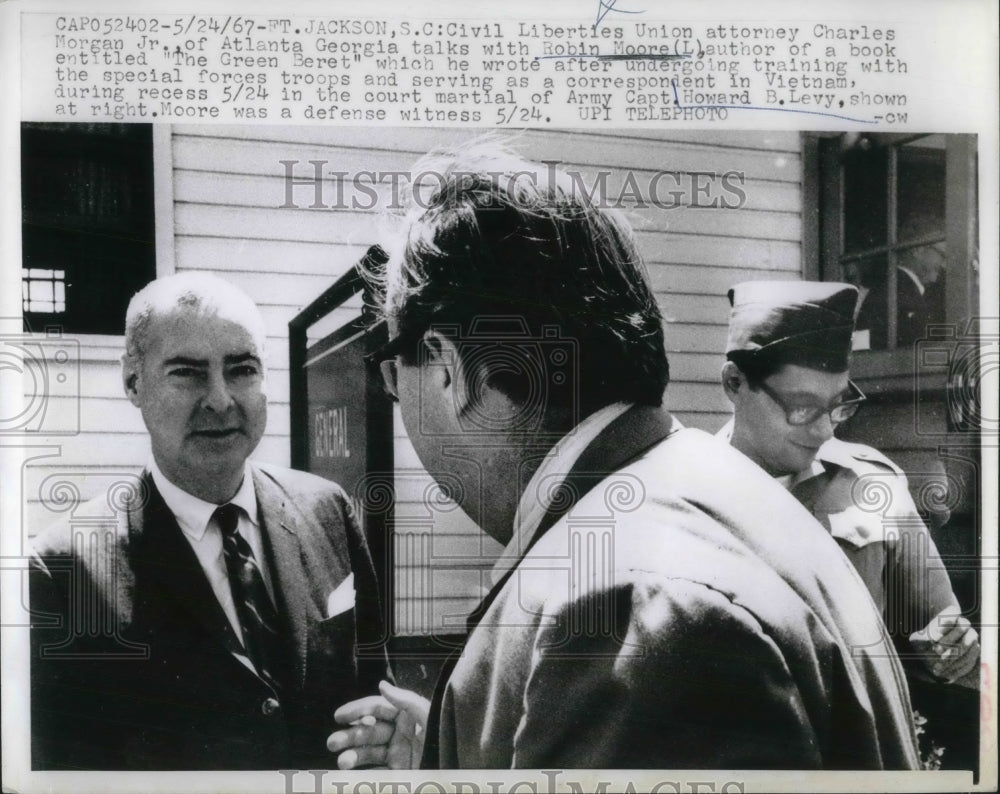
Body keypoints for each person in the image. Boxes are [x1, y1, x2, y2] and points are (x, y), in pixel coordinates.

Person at [327, 143, 921, 769]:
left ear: (450, 368)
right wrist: (463, 748)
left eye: (394, 372)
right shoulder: (702, 489)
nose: (395, 394)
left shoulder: (620, 608)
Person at [29, 272, 388, 770]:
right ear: (133, 383)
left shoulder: (327, 509)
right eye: (188, 372)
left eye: (241, 369)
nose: (220, 399)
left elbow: (375, 702)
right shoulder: (63, 566)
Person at [717, 280, 979, 689]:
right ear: (735, 383)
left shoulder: (874, 485)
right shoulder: (686, 489)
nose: (824, 431)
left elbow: (937, 629)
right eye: (802, 407)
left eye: (838, 404)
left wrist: (949, 651)